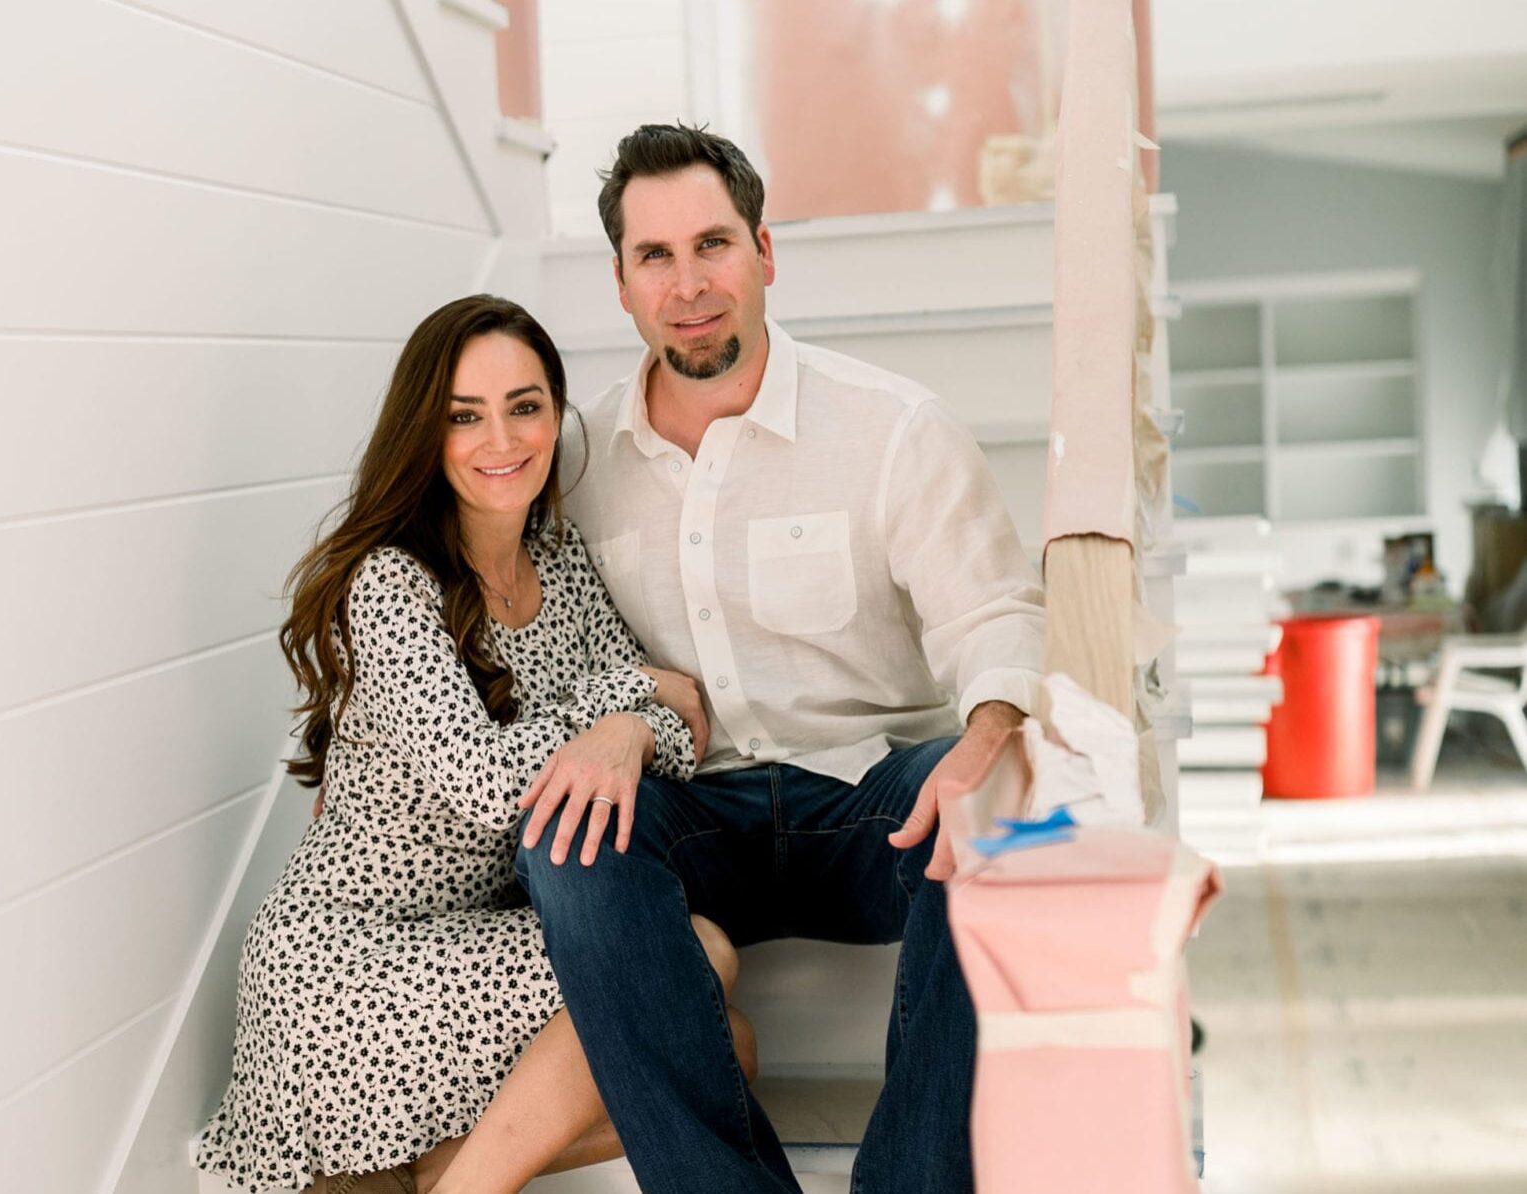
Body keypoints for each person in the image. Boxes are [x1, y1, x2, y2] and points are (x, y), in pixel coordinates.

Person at [515, 125, 1046, 1192]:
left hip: (868, 801)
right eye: (654, 257)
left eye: (712, 244)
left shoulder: (891, 429)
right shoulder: (573, 464)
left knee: (1002, 820)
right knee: (564, 840)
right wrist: (620, 723)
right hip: (691, 808)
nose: (688, 284)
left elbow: (994, 615)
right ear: (620, 282)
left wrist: (988, 734)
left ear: (764, 251)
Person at [195, 294, 758, 1194]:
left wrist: (629, 723)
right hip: (343, 966)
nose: (502, 438)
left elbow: (680, 735)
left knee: (727, 1045)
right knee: (700, 965)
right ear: (428, 432)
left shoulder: (560, 559)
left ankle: (405, 1183)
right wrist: (625, 697)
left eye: (524, 406)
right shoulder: (389, 583)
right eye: (465, 416)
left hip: (466, 939)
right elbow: (490, 785)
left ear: (553, 415)